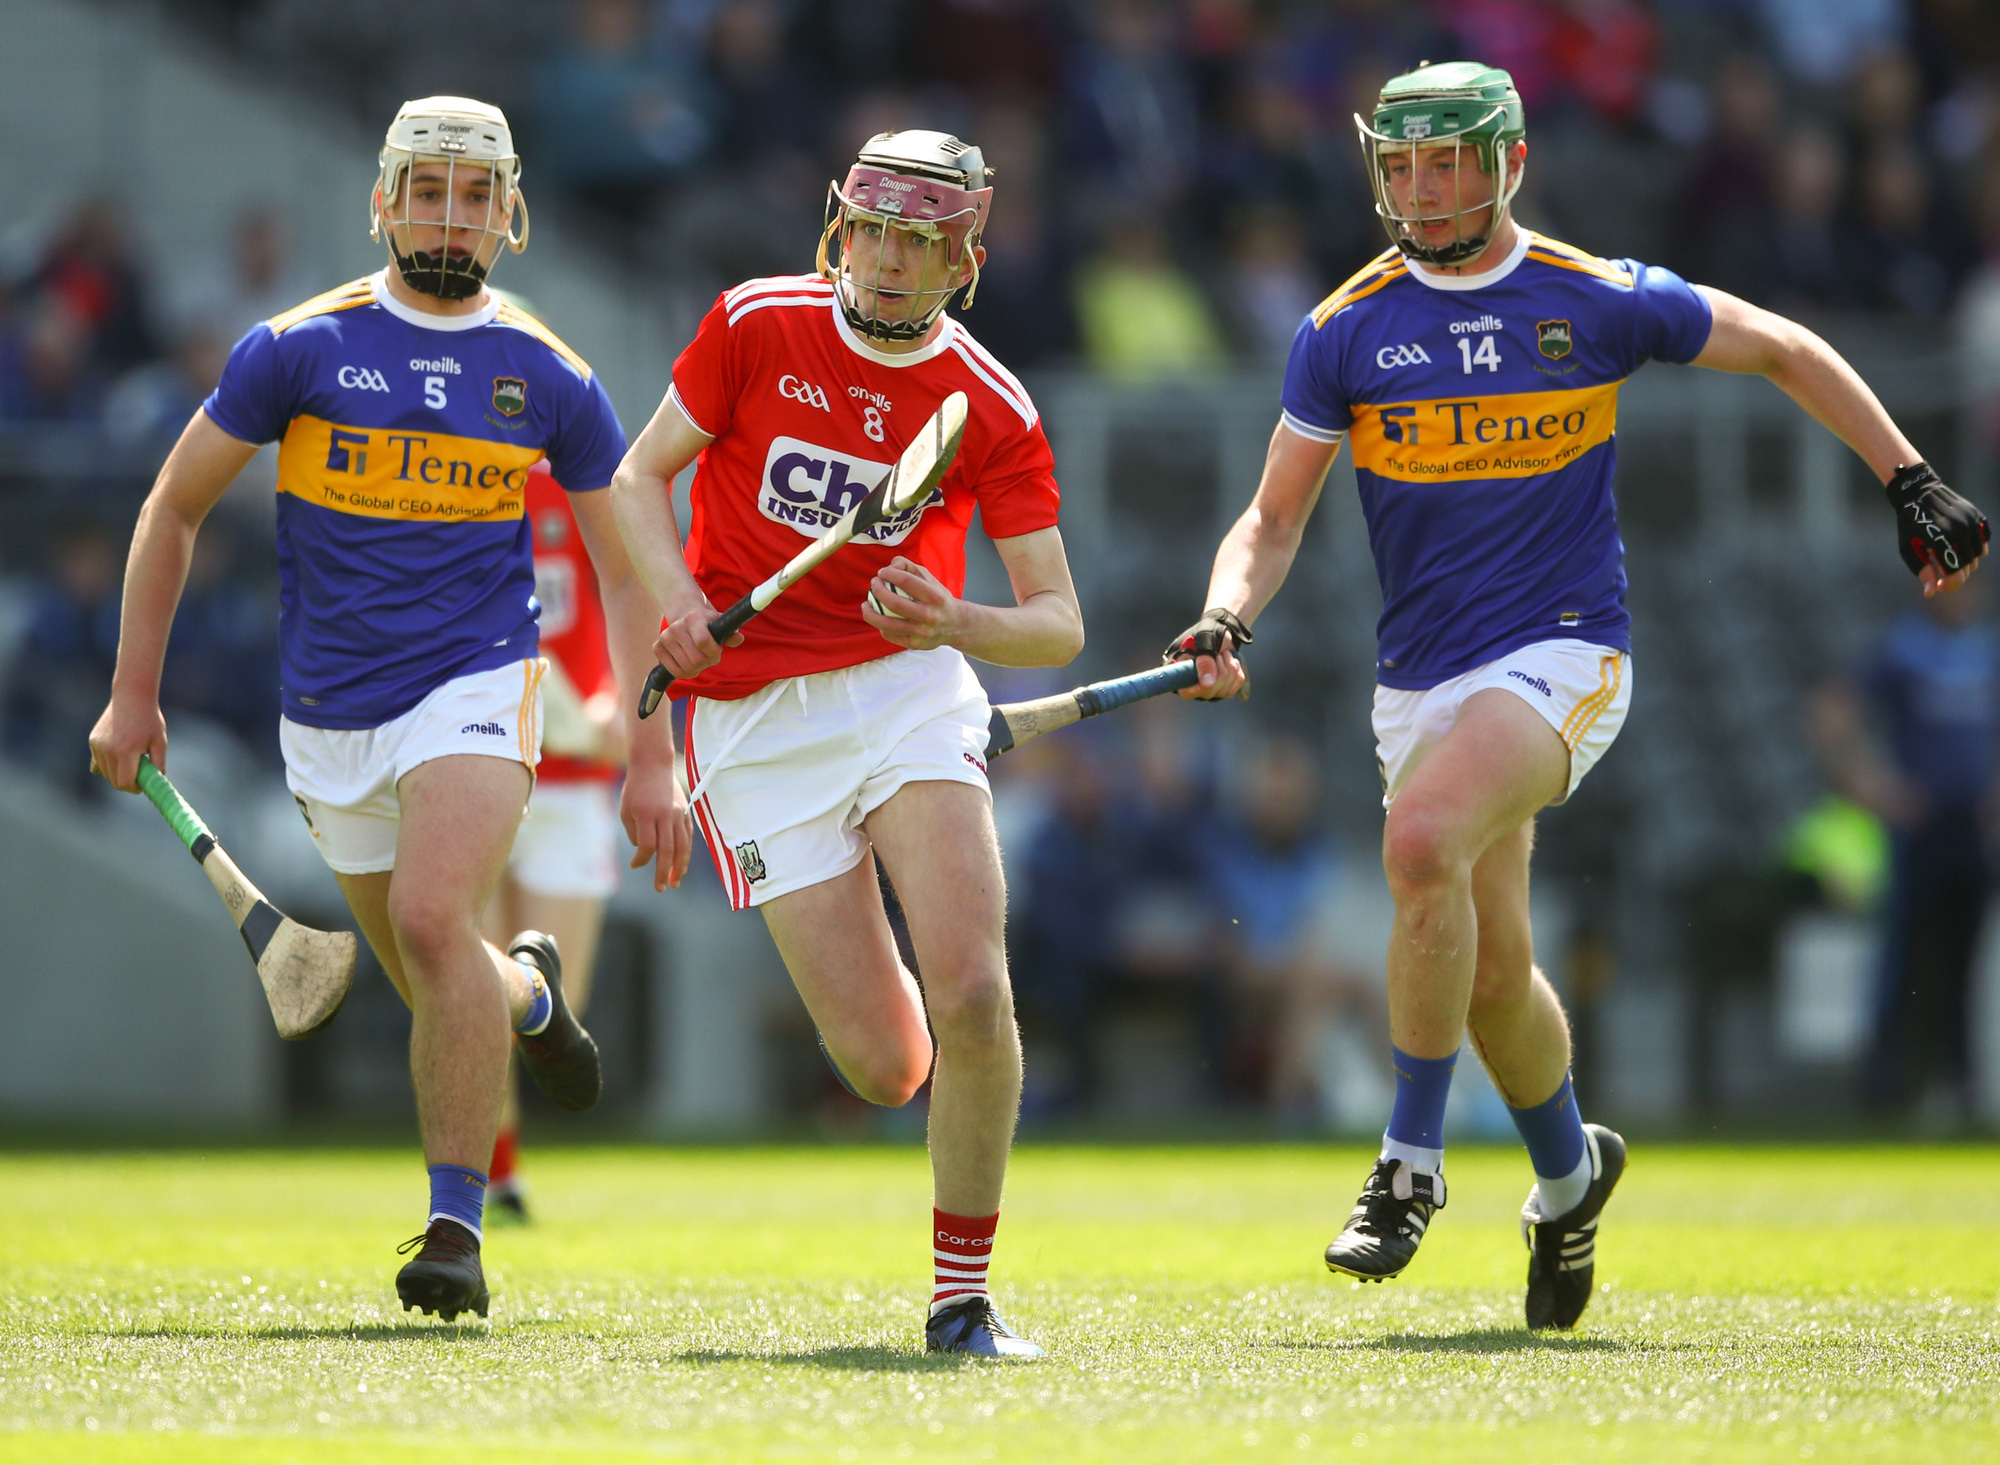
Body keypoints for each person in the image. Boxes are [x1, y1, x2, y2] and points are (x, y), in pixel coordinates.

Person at [1170, 61, 1989, 1331]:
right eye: (1401, 164)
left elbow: (1780, 347)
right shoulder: (1343, 327)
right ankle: (1566, 1176)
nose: (1421, 189)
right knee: (1491, 976)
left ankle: (1406, 1164)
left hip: (1564, 655)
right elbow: (1270, 521)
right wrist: (1227, 611)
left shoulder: (1590, 296)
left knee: (1418, 843)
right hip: (1419, 681)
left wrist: (1907, 476)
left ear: (1507, 164)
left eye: (1447, 162)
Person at [86, 97, 684, 1322]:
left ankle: (454, 1230)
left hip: (478, 682)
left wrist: (650, 753)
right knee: (438, 972)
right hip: (328, 719)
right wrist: (131, 692)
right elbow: (173, 507)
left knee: (423, 915)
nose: (450, 216)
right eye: (427, 190)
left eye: (474, 196)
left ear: (509, 216)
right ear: (382, 202)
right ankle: (529, 993)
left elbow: (626, 574)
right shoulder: (297, 348)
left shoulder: (547, 372)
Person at [611, 129, 1083, 1357]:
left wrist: (954, 619)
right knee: (885, 1065)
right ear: (840, 224)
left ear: (961, 260)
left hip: (904, 686)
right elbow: (634, 480)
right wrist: (679, 607)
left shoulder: (989, 402)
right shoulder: (755, 323)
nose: (884, 260)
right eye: (870, 230)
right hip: (752, 720)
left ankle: (960, 1300)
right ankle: (926, 1045)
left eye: (916, 242)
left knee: (975, 991)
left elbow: (1056, 621)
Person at [482, 460, 630, 1221]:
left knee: (552, 1005)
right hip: (473, 763)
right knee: (466, 988)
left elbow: (641, 595)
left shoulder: (585, 482)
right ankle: (489, 1178)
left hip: (572, 777)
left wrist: (618, 709)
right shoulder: (440, 476)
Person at [1814, 580, 1997, 1125]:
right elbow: (1833, 710)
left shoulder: (1985, 651)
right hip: (1920, 829)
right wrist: (1873, 788)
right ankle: (1889, 1087)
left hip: (1973, 829)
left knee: (1967, 962)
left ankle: (1961, 1084)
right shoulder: (1906, 649)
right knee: (1907, 958)